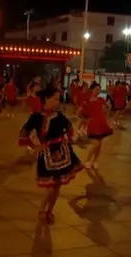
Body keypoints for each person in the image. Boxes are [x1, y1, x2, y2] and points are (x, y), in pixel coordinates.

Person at [19, 87, 83, 224]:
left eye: (58, 99)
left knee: (57, 186)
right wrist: (35, 146)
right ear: (46, 100)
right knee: (50, 187)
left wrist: (70, 139)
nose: (57, 102)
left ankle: (49, 210)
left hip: (62, 153)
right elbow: (24, 132)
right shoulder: (36, 116)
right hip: (46, 154)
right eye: (54, 99)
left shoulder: (60, 116)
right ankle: (42, 209)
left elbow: (70, 128)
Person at [76, 82, 113, 168]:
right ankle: (87, 160)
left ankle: (95, 161)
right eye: (96, 89)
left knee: (100, 144)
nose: (98, 91)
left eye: (99, 89)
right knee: (95, 143)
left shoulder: (100, 99)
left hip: (101, 123)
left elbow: (109, 107)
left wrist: (105, 115)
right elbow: (78, 113)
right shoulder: (87, 101)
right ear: (91, 90)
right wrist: (85, 119)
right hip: (93, 124)